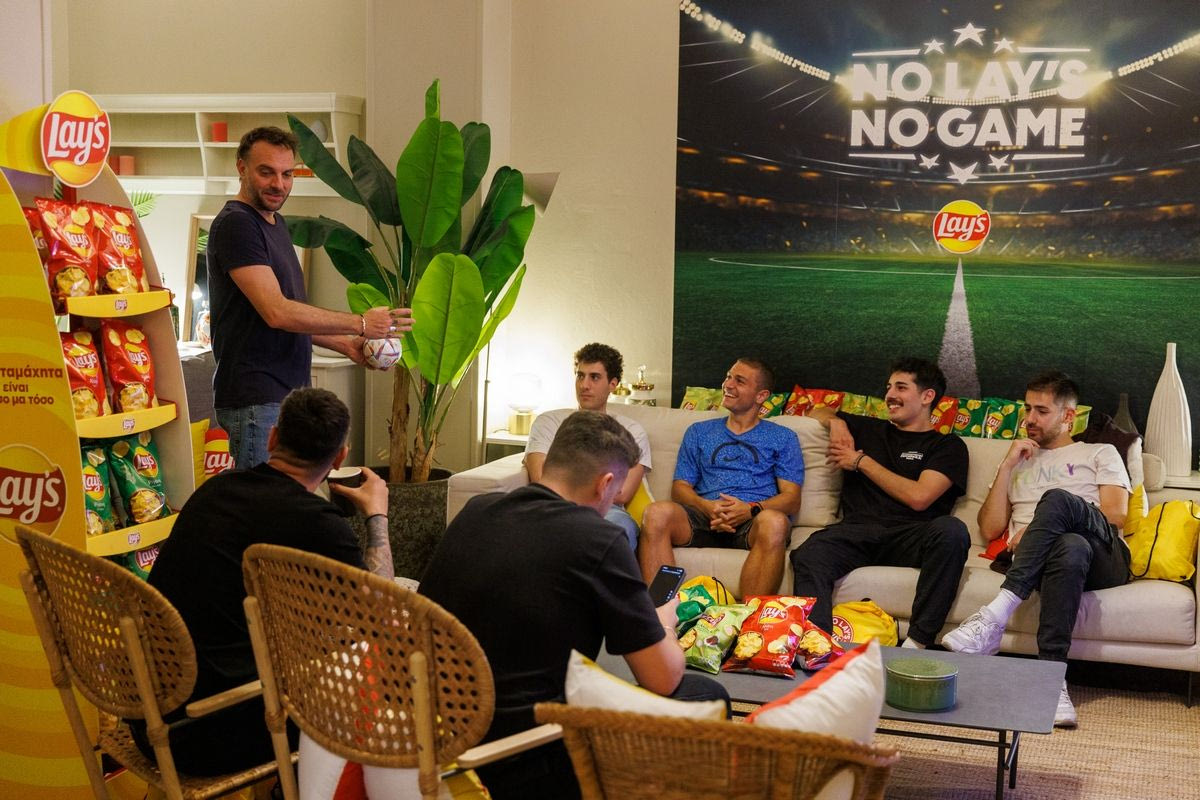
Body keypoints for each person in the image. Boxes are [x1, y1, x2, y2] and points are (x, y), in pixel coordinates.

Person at [421, 411, 728, 799]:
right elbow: (662, 678)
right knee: (703, 694)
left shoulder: (476, 511)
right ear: (605, 484)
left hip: (438, 734)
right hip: (527, 754)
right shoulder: (599, 539)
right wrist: (663, 622)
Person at [130, 387, 394, 775]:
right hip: (203, 734)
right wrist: (377, 514)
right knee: (372, 672)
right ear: (340, 457)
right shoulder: (318, 522)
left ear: (272, 438)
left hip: (146, 714)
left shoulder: (215, 490)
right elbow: (382, 611)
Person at [207, 125, 412, 469]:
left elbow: (288, 315)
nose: (279, 184)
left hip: (285, 398)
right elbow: (277, 312)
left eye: (287, 174)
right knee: (265, 500)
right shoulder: (237, 225)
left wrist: (346, 344)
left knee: (286, 500)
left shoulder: (274, 224)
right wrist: (361, 323)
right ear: (241, 167)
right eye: (266, 172)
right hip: (257, 397)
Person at [942, 371, 1131, 728]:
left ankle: (995, 615)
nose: (1030, 418)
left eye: (1041, 411)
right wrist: (1006, 465)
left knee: (1057, 501)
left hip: (1104, 555)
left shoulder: (1099, 452)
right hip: (1053, 558)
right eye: (1027, 408)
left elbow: (1116, 514)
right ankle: (1051, 681)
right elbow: (990, 529)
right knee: (1069, 547)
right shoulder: (1018, 460)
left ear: (1068, 416)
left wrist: (1038, 524)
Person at [789, 358, 970, 648]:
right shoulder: (867, 428)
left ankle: (917, 644)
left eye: (901, 387)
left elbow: (919, 497)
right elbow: (816, 410)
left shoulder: (948, 446)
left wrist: (861, 461)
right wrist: (836, 422)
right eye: (889, 387)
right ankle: (816, 644)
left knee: (952, 531)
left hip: (911, 535)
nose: (890, 395)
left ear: (927, 396)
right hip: (858, 531)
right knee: (809, 553)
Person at [637, 358, 804, 598]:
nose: (728, 384)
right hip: (705, 517)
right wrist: (707, 506)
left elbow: (791, 499)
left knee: (775, 523)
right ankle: (660, 612)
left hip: (753, 521)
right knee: (656, 513)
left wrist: (750, 509)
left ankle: (749, 617)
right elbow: (680, 487)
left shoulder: (783, 437)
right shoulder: (699, 432)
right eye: (728, 377)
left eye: (739, 381)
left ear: (761, 396)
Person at [524, 342, 652, 549]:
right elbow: (540, 480)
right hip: (554, 506)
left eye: (595, 377)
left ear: (613, 384)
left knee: (620, 527)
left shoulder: (631, 430)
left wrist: (570, 487)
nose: (584, 385)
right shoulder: (548, 422)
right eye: (580, 376)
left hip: (606, 511)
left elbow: (623, 493)